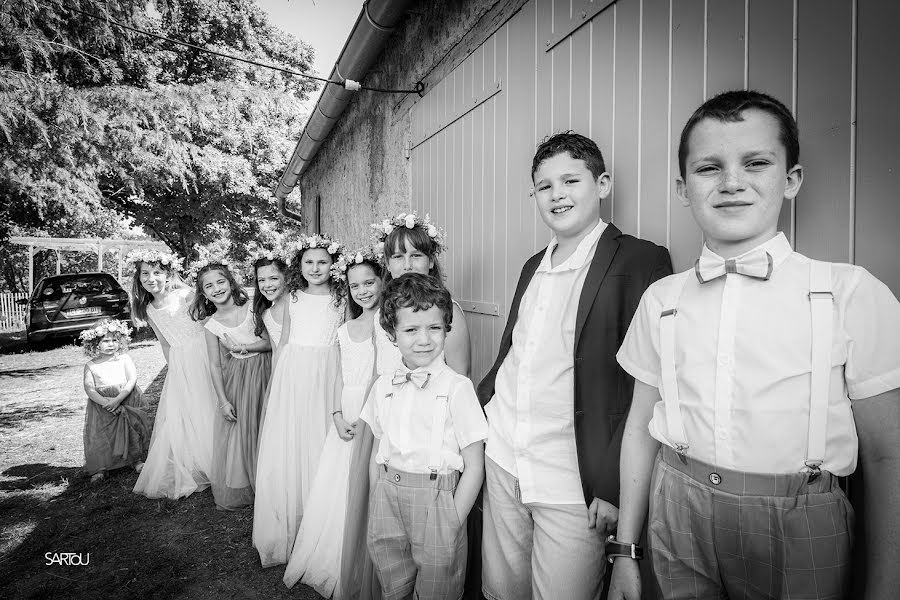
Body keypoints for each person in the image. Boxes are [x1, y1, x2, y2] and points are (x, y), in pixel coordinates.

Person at [609, 90, 900, 600]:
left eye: (756, 162)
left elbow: (886, 456)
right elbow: (639, 428)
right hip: (676, 506)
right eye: (709, 168)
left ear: (791, 180)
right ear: (683, 187)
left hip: (803, 520)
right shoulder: (662, 300)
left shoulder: (848, 293)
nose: (732, 182)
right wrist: (625, 552)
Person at [477, 132, 672, 599]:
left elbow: (649, 384)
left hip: (575, 480)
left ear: (602, 184)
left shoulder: (642, 260)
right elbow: (513, 354)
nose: (557, 194)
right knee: (504, 590)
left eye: (570, 180)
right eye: (544, 186)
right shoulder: (531, 266)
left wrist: (613, 485)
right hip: (504, 457)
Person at [360, 273, 488, 600]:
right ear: (391, 335)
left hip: (438, 502)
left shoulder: (458, 389)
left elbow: (474, 466)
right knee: (394, 587)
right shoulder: (383, 386)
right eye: (411, 330)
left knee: (436, 592)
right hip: (387, 500)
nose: (424, 340)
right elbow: (378, 449)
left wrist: (452, 521)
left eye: (434, 328)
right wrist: (377, 499)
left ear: (447, 328)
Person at [284, 248, 383, 597]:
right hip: (348, 412)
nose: (363, 291)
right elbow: (338, 377)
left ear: (382, 280)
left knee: (368, 483)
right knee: (339, 483)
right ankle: (334, 553)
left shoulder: (392, 322)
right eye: (355, 285)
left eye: (369, 282)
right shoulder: (345, 329)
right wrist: (337, 417)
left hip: (378, 411)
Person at [253, 234, 345, 567]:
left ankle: (317, 518)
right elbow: (285, 342)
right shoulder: (292, 297)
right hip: (293, 374)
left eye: (322, 261)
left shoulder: (341, 296)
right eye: (309, 262)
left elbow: (345, 338)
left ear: (333, 265)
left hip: (327, 370)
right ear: (300, 265)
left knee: (320, 440)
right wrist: (276, 385)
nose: (316, 267)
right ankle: (291, 516)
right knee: (293, 442)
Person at [130, 249, 218, 500]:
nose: (151, 278)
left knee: (208, 403)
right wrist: (174, 368)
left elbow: (207, 326)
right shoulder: (149, 308)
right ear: (139, 278)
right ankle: (197, 462)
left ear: (168, 274)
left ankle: (218, 459)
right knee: (187, 411)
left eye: (157, 272)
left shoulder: (186, 295)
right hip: (180, 361)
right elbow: (165, 342)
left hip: (202, 352)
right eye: (145, 273)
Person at [191, 260, 271, 510]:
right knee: (245, 429)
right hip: (239, 379)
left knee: (267, 424)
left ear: (231, 282)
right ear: (203, 294)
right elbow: (215, 365)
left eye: (220, 282)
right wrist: (223, 400)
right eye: (209, 286)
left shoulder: (253, 308)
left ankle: (273, 480)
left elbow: (270, 342)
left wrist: (242, 347)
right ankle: (254, 482)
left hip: (266, 369)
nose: (216, 288)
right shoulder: (211, 325)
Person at [80, 319, 150, 483]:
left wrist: (118, 399)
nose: (111, 344)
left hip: (126, 399)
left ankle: (137, 460)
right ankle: (101, 467)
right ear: (95, 343)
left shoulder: (124, 359)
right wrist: (107, 403)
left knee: (132, 429)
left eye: (114, 340)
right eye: (105, 341)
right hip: (103, 405)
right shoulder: (91, 365)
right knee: (103, 435)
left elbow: (132, 379)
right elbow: (89, 388)